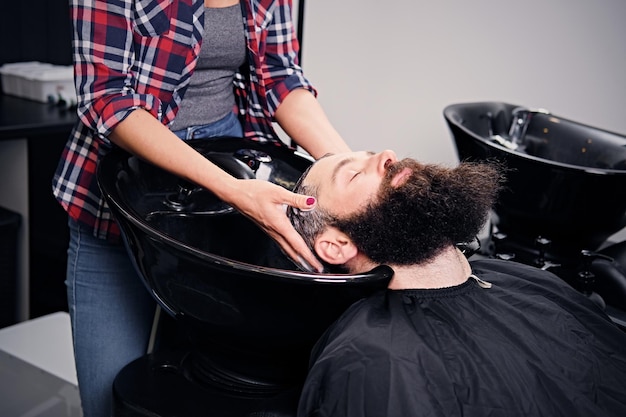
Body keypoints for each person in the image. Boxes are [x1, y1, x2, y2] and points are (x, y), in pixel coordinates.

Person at [52, 1, 350, 416]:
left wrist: (350, 169)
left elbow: (281, 77)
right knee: (109, 401)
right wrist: (230, 189)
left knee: (199, 399)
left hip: (225, 196)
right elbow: (107, 98)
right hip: (122, 195)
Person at [287, 150, 626, 417]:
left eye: (373, 152)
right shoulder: (374, 362)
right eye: (354, 173)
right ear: (336, 245)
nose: (387, 155)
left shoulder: (528, 282)